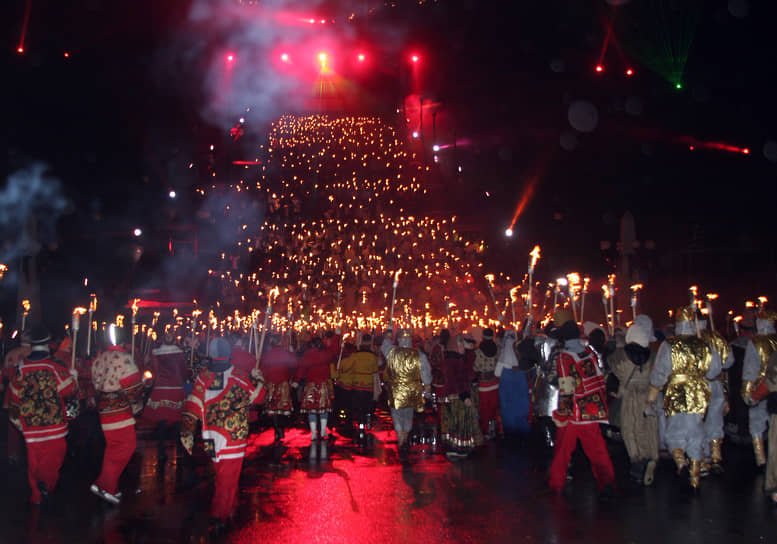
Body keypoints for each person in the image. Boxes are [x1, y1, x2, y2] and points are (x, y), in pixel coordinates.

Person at [180, 338, 266, 531]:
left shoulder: (203, 376)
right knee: (227, 478)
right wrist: (258, 379)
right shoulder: (239, 374)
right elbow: (259, 397)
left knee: (222, 475)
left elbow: (193, 403)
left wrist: (187, 430)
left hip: (210, 436)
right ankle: (219, 515)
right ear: (229, 354)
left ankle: (229, 506)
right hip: (232, 435)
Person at [647, 306, 722, 489]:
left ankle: (681, 462)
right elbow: (714, 370)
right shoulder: (704, 344)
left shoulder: (669, 345)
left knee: (675, 429)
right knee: (696, 429)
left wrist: (652, 396)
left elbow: (660, 372)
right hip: (698, 393)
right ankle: (695, 474)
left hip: (677, 391)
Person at [7, 324, 77, 505]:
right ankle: (46, 486)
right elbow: (68, 389)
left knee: (34, 461)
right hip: (53, 423)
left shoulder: (22, 368)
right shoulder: (53, 366)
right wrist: (73, 377)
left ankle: (36, 496)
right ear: (48, 344)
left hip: (30, 425)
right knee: (53, 458)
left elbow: (14, 393)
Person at [548, 318, 615, 496]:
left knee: (562, 451)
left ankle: (556, 483)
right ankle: (606, 480)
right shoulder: (588, 352)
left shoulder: (565, 357)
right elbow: (601, 378)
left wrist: (562, 413)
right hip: (592, 409)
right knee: (598, 450)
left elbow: (567, 387)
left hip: (575, 412)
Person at [90, 324, 147, 505]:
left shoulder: (99, 359)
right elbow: (133, 388)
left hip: (104, 411)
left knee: (114, 448)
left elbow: (95, 384)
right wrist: (143, 385)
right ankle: (105, 484)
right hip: (119, 411)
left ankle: (108, 486)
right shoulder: (123, 358)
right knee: (126, 446)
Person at [607, 315, 659, 486]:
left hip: (630, 395)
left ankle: (637, 463)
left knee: (631, 429)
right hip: (648, 395)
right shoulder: (653, 355)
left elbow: (612, 364)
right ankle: (650, 456)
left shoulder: (623, 356)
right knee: (648, 427)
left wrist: (614, 346)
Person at [382, 329, 432, 459]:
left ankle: (401, 437)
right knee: (408, 415)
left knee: (397, 414)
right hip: (411, 390)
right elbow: (425, 372)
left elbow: (384, 346)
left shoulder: (392, 352)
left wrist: (388, 334)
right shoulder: (418, 354)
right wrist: (427, 387)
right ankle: (404, 436)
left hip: (396, 390)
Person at [144, 331, 188, 463]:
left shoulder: (156, 354)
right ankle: (179, 450)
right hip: (175, 389)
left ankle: (161, 450)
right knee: (178, 421)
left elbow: (153, 371)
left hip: (161, 389)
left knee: (162, 422)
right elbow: (183, 371)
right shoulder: (179, 354)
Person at [741, 310, 777, 468]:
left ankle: (761, 459)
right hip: (774, 388)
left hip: (760, 387)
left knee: (756, 424)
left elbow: (750, 368)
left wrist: (747, 391)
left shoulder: (755, 342)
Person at [698, 318, 734, 474]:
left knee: (699, 422)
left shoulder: (691, 338)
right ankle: (715, 456)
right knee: (715, 420)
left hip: (698, 385)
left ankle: (703, 458)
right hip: (716, 385)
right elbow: (729, 361)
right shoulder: (717, 338)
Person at [440, 333, 483, 459]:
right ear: (455, 346)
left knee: (454, 423)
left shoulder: (456, 359)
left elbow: (468, 368)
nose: (463, 347)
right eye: (460, 345)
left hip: (455, 396)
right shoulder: (453, 361)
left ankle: (455, 448)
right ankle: (456, 449)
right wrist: (465, 396)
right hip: (456, 397)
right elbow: (457, 379)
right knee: (458, 423)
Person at [334, 334, 379, 441]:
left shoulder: (354, 356)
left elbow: (345, 368)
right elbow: (375, 370)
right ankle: (366, 420)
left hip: (357, 384)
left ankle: (361, 423)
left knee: (358, 406)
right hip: (368, 385)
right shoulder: (373, 357)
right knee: (367, 404)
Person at [293, 335, 336, 442]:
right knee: (323, 409)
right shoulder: (326, 354)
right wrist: (337, 337)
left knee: (311, 410)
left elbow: (301, 369)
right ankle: (323, 431)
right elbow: (335, 351)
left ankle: (313, 433)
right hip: (323, 385)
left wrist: (296, 381)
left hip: (311, 385)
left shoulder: (307, 355)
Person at [260, 334, 298, 443]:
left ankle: (277, 428)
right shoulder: (285, 353)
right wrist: (292, 354)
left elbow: (263, 369)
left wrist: (265, 381)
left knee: (274, 409)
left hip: (272, 383)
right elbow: (294, 365)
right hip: (283, 383)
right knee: (282, 408)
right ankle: (280, 428)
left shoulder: (267, 354)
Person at [2, 332, 31, 466]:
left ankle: (13, 454)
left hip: (12, 396)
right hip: (28, 396)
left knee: (13, 426)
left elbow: (5, 374)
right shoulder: (33, 354)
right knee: (29, 425)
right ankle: (28, 454)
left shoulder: (11, 354)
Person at [473, 328, 501, 439]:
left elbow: (475, 367)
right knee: (494, 407)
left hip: (484, 384)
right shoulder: (497, 349)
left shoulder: (478, 351)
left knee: (485, 409)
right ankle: (494, 427)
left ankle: (486, 431)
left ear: (483, 337)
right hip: (495, 382)